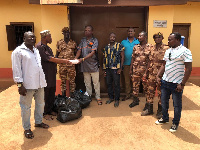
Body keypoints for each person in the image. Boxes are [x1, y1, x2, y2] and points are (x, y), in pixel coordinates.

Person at [12, 31, 49, 139]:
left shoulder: (36, 51)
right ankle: (27, 128)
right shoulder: (18, 52)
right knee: (25, 107)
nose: (32, 39)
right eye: (30, 38)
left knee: (40, 104)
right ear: (24, 39)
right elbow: (17, 69)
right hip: (27, 85)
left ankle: (38, 122)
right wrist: (20, 85)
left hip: (39, 83)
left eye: (34, 37)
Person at [155, 32, 192, 133]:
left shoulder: (185, 51)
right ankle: (165, 118)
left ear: (178, 40)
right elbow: (164, 64)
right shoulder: (168, 51)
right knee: (164, 102)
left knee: (176, 105)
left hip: (177, 84)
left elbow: (188, 69)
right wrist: (158, 75)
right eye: (168, 39)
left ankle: (175, 123)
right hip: (165, 81)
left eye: (170, 39)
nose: (168, 41)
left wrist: (182, 84)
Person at [36, 30, 72, 121]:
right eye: (50, 37)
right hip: (45, 75)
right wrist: (64, 61)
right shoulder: (40, 47)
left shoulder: (48, 48)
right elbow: (50, 59)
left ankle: (50, 109)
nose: (51, 38)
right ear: (45, 37)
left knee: (52, 92)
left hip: (51, 75)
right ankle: (45, 113)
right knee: (46, 94)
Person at [141, 32, 169, 118]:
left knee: (161, 93)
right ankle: (149, 109)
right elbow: (149, 61)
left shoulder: (166, 48)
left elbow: (167, 62)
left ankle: (160, 111)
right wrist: (146, 73)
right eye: (155, 37)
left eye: (159, 37)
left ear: (162, 38)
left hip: (161, 75)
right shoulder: (152, 48)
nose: (157, 39)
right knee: (150, 91)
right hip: (152, 74)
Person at [75, 25, 102, 105]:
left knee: (96, 83)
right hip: (85, 66)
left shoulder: (94, 40)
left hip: (93, 65)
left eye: (88, 30)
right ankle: (89, 96)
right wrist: (75, 59)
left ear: (92, 32)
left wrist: (82, 59)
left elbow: (93, 52)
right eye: (85, 30)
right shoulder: (82, 40)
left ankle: (98, 97)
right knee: (87, 83)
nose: (87, 32)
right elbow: (79, 50)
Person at [129, 31, 153, 108]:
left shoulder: (150, 47)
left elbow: (150, 60)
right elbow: (133, 58)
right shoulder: (136, 47)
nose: (139, 37)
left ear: (145, 37)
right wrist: (131, 69)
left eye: (140, 36)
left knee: (146, 87)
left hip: (145, 71)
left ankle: (148, 103)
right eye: (138, 36)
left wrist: (146, 72)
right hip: (136, 70)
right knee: (135, 86)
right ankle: (135, 100)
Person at [103, 33, 125, 107]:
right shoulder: (106, 47)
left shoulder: (119, 46)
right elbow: (105, 58)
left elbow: (122, 57)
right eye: (111, 37)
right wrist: (105, 69)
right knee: (109, 83)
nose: (112, 38)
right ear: (109, 38)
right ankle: (111, 98)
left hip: (116, 69)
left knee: (116, 84)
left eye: (113, 37)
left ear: (115, 38)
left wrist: (120, 68)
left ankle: (117, 99)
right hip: (108, 69)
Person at [56, 27, 77, 97]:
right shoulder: (59, 43)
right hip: (62, 66)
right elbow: (57, 55)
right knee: (63, 82)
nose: (67, 34)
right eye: (65, 33)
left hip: (71, 66)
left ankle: (72, 97)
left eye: (68, 33)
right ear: (63, 34)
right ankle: (63, 97)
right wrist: (55, 66)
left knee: (72, 82)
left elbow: (76, 54)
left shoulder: (73, 43)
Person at [121, 28, 140, 101]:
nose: (130, 32)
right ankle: (128, 94)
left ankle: (135, 95)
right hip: (126, 64)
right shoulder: (123, 42)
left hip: (136, 65)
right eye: (129, 31)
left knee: (136, 80)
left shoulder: (138, 41)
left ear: (134, 32)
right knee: (127, 80)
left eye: (131, 31)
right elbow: (121, 53)